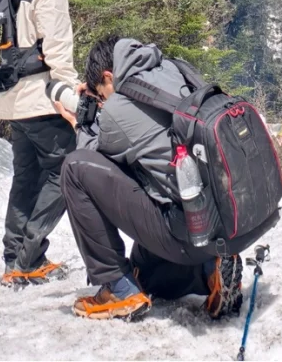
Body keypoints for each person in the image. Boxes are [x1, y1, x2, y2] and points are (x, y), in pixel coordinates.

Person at [60, 35, 243, 321]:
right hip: (221, 224)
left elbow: (93, 163)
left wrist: (80, 122)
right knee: (148, 277)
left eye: (102, 92)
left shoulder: (120, 107)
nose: (105, 100)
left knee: (74, 168)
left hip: (183, 232)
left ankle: (118, 289)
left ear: (109, 76)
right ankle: (212, 268)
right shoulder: (174, 70)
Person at [0, 0, 85, 288]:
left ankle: (12, 258)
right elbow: (58, 53)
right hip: (42, 99)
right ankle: (28, 259)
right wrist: (70, 97)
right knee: (65, 172)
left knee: (26, 178)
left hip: (12, 100)